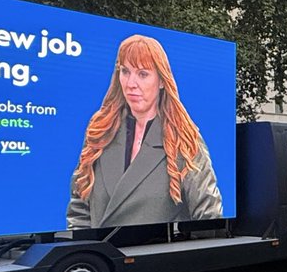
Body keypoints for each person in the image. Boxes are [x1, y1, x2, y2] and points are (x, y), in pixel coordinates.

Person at [67, 35, 223, 229]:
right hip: (104, 257)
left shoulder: (184, 138)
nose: (131, 83)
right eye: (125, 71)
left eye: (142, 74)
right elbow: (79, 210)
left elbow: (209, 216)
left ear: (161, 81)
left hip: (157, 256)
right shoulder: (101, 130)